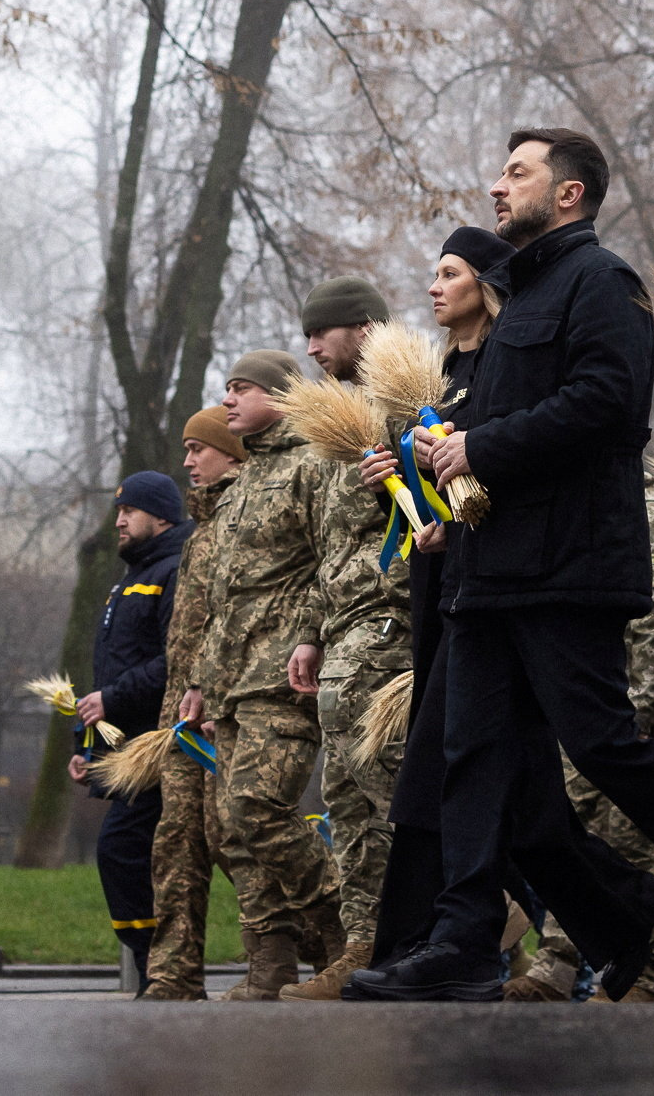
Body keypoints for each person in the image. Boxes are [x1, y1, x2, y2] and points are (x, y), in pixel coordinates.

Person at [348, 128, 654, 1002]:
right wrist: (440, 466)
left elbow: (611, 406)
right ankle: (464, 941)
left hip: (572, 567)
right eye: (500, 171)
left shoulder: (601, 283)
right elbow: (489, 447)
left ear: (567, 194)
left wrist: (480, 445)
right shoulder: (517, 302)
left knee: (605, 746)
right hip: (488, 573)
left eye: (516, 173)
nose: (498, 187)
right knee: (476, 759)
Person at [509, 471, 654, 1003]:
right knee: (580, 824)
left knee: (635, 827)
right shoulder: (573, 504)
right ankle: (561, 958)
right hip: (585, 706)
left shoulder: (642, 513)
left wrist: (628, 714)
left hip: (632, 710)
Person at [178, 352, 340, 1000]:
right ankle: (269, 964)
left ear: (279, 395)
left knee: (257, 805)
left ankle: (345, 930)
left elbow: (326, 563)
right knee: (234, 826)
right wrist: (203, 684)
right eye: (225, 388)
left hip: (283, 676)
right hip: (234, 682)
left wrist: (307, 636)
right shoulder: (244, 484)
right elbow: (227, 597)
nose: (228, 400)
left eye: (241, 388)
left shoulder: (310, 464)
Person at [281, 276, 416, 1001]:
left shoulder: (408, 400)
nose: (310, 347)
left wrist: (399, 483)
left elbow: (451, 505)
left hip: (394, 615)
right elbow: (328, 547)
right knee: (344, 794)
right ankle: (367, 940)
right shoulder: (337, 417)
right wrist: (309, 632)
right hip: (343, 621)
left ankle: (458, 908)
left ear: (362, 330)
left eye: (321, 332)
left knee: (387, 776)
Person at [68, 470, 192, 994]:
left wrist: (113, 700)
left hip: (160, 745)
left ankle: (158, 970)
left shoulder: (171, 572)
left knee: (122, 849)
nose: (119, 520)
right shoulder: (127, 581)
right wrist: (87, 750)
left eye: (130, 511)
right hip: (124, 749)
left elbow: (176, 660)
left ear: (161, 515)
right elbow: (111, 673)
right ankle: (156, 973)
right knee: (132, 854)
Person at [144, 409, 247, 1000]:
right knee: (176, 843)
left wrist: (210, 691)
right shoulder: (200, 530)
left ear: (232, 454)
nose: (187, 462)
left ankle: (331, 942)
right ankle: (173, 976)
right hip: (180, 719)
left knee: (235, 838)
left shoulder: (238, 521)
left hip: (222, 708)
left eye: (197, 449)